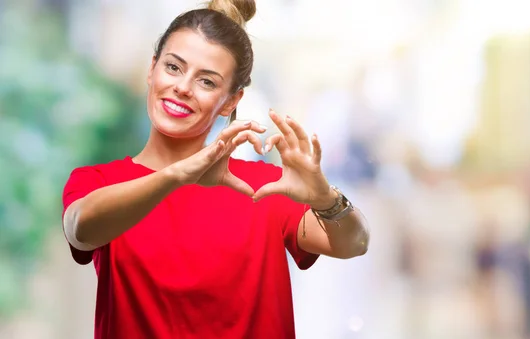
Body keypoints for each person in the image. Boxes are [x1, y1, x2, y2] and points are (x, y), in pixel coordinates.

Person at [60, 0, 370, 338]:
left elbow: (353, 243)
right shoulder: (99, 181)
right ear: (152, 69)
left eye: (206, 82)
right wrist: (178, 175)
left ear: (230, 101)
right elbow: (80, 229)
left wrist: (325, 197)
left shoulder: (260, 188)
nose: (182, 87)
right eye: (173, 67)